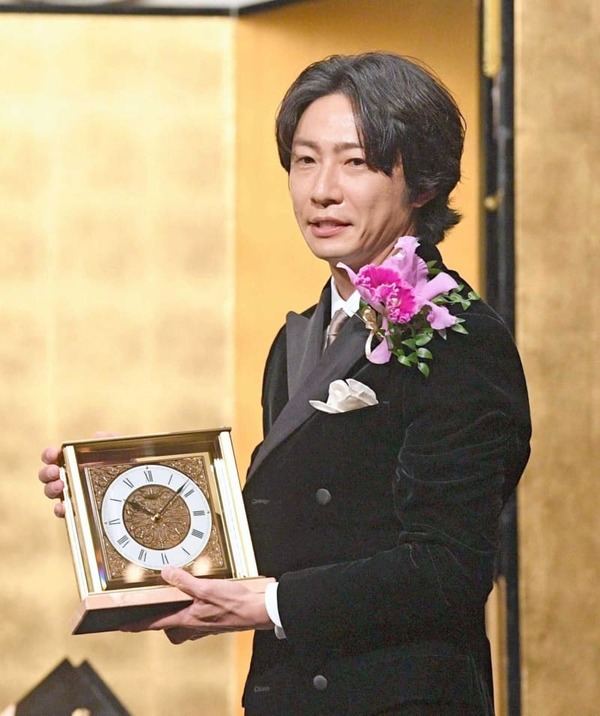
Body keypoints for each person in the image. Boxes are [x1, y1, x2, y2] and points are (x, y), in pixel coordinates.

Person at [40, 53, 531, 715]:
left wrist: (269, 604)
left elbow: (449, 570)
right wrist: (124, 495)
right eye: (305, 160)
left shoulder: (460, 339)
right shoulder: (300, 337)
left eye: (356, 162)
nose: (322, 190)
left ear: (422, 183)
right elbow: (297, 524)